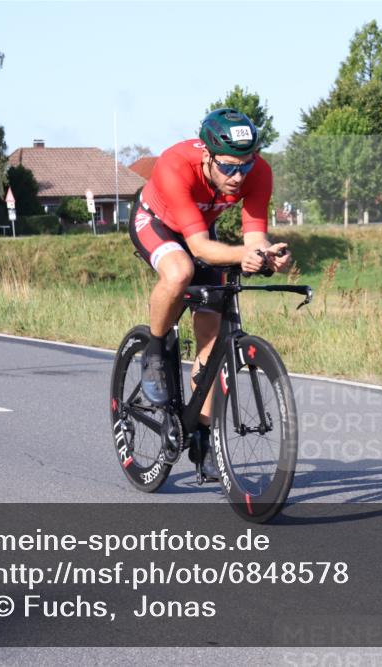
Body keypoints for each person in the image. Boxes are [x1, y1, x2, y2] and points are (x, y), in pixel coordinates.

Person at [128, 108, 291, 478]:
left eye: (245, 167)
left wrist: (267, 255)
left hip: (200, 232)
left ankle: (202, 436)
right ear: (208, 157)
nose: (237, 177)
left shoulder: (258, 172)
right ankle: (154, 350)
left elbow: (254, 237)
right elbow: (199, 248)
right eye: (229, 167)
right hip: (157, 224)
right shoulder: (175, 164)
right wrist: (245, 255)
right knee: (180, 270)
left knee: (212, 335)